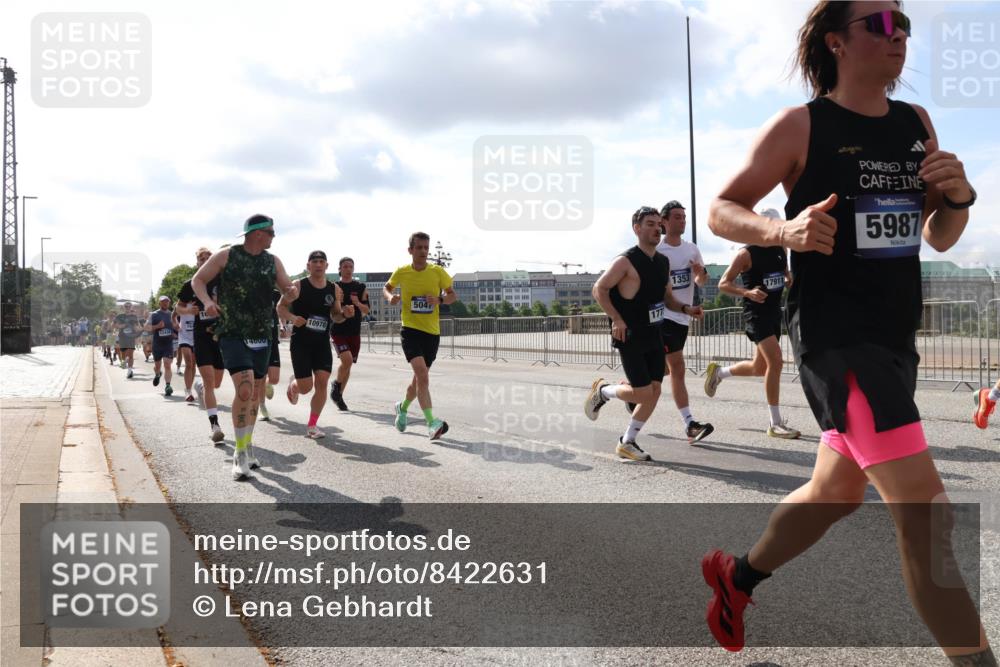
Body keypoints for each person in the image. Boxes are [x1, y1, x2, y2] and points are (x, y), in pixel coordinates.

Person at [699, 4, 992, 664]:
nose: (900, 35)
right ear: (837, 41)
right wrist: (784, 230)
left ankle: (735, 576)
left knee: (837, 490)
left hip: (894, 338)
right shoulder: (803, 125)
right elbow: (722, 208)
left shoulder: (915, 124)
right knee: (929, 523)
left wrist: (958, 199)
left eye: (904, 22)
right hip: (836, 339)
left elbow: (936, 235)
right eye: (882, 23)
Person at [584, 207, 703, 461]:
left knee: (655, 390)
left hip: (654, 334)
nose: (656, 229)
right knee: (642, 393)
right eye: (649, 224)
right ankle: (603, 391)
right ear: (636, 228)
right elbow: (599, 289)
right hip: (630, 335)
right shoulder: (625, 261)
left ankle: (627, 441)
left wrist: (686, 308)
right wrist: (616, 319)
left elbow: (667, 298)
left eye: (658, 224)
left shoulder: (662, 262)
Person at [192, 215, 298, 480]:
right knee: (246, 386)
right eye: (271, 231)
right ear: (258, 233)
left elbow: (286, 287)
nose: (274, 236)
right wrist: (206, 302)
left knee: (253, 395)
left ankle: (247, 443)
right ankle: (239, 454)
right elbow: (198, 281)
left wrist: (291, 292)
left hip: (262, 333)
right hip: (233, 331)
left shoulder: (272, 261)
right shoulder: (226, 256)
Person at [704, 209, 800, 438]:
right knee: (776, 362)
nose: (776, 228)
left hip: (774, 312)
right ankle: (775, 423)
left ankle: (720, 373)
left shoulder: (780, 248)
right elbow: (723, 284)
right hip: (756, 315)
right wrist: (747, 292)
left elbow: (784, 273)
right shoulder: (745, 254)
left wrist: (788, 279)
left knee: (761, 367)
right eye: (772, 224)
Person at [383, 232, 456, 440]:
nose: (424, 251)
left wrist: (440, 300)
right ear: (411, 250)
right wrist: (391, 297)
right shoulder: (402, 271)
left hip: (432, 333)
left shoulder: (437, 272)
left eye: (426, 247)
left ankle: (402, 407)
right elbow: (386, 288)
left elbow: (452, 295)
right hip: (410, 331)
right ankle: (432, 423)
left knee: (418, 380)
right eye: (419, 248)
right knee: (423, 375)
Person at [654, 200, 714, 444]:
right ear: (664, 222)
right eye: (677, 217)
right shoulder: (658, 251)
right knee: (678, 368)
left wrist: (700, 274)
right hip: (663, 316)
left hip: (683, 317)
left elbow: (701, 281)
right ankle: (689, 423)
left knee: (663, 371)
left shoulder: (691, 249)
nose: (682, 221)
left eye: (684, 217)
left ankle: (629, 391)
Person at [278, 251, 346, 438]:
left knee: (322, 382)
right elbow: (280, 307)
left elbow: (336, 317)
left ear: (326, 265)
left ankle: (312, 425)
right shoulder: (298, 286)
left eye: (321, 261)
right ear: (308, 266)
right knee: (306, 387)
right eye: (314, 261)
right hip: (301, 343)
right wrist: (293, 318)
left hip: (322, 343)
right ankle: (294, 384)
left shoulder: (333, 289)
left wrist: (345, 313)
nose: (318, 264)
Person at [178, 247, 226, 442]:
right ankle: (214, 425)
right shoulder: (190, 284)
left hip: (222, 336)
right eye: (201, 258)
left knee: (216, 383)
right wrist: (190, 310)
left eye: (208, 257)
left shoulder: (223, 281)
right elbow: (178, 307)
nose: (205, 260)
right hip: (201, 336)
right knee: (209, 382)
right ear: (196, 262)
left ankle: (197, 386)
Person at [331, 257, 370, 411]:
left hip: (354, 331)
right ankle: (336, 386)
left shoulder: (360, 287)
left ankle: (339, 395)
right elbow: (331, 310)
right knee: (346, 361)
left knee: (348, 366)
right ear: (339, 269)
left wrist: (357, 303)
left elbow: (367, 310)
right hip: (338, 330)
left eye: (351, 266)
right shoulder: (334, 287)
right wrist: (340, 305)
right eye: (345, 266)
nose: (348, 269)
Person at [258, 289, 283, 422]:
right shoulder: (251, 291)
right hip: (257, 340)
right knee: (261, 376)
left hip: (272, 339)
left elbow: (280, 309)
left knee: (274, 379)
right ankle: (262, 407)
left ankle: (268, 384)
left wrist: (283, 325)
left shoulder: (276, 294)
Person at [147, 296, 176, 396]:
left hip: (168, 344)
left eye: (167, 302)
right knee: (157, 366)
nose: (165, 303)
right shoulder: (154, 315)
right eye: (163, 302)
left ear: (169, 303)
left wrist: (175, 333)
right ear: (159, 303)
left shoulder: (172, 314)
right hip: (157, 345)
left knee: (167, 364)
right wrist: (157, 326)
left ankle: (168, 386)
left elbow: (175, 326)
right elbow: (146, 327)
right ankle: (158, 374)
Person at [114, 304, 141, 378]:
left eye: (129, 306)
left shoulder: (134, 317)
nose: (127, 308)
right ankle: (124, 360)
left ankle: (129, 371)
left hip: (131, 337)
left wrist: (138, 331)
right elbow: (115, 325)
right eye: (126, 306)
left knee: (131, 354)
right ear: (124, 308)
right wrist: (123, 325)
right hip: (122, 337)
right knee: (123, 354)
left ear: (131, 308)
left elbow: (136, 326)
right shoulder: (119, 316)